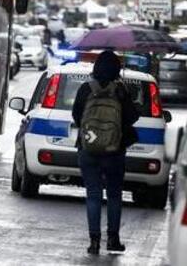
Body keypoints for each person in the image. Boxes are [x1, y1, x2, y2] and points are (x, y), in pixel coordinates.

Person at [71, 50, 139, 255]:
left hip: (88, 149)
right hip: (115, 151)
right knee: (114, 195)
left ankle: (94, 242)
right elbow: (132, 118)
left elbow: (77, 116)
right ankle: (113, 239)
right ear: (117, 69)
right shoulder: (121, 91)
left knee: (93, 195)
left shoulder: (85, 89)